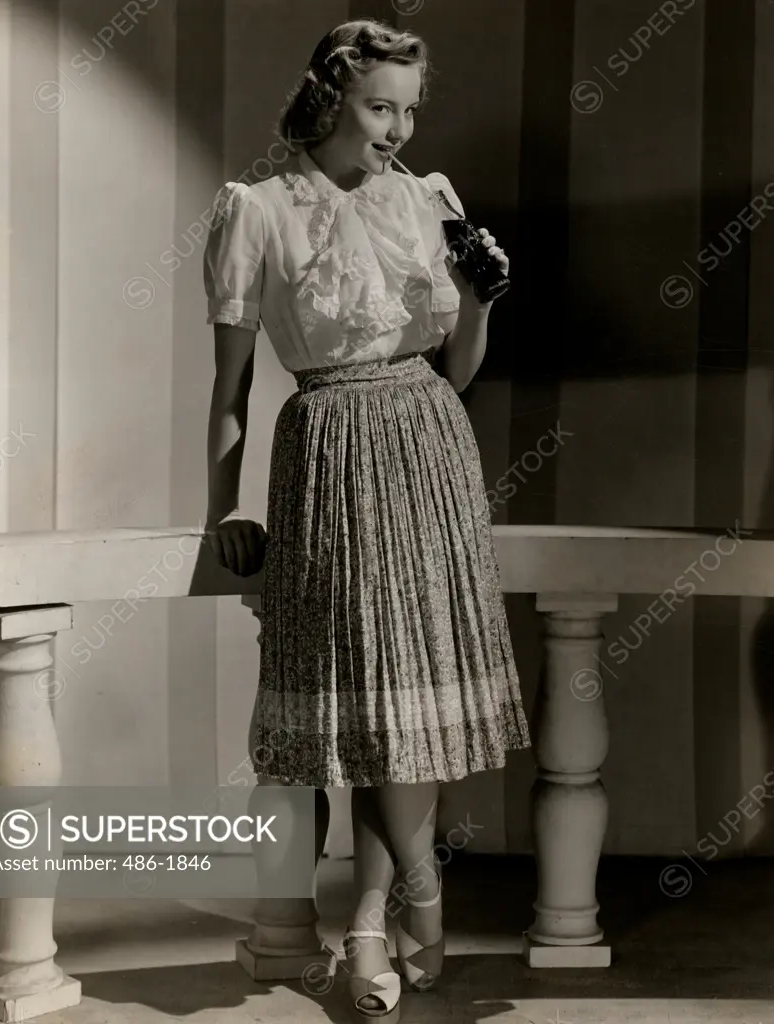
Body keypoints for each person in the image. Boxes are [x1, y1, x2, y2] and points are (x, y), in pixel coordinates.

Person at [202, 18, 530, 1022]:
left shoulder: (428, 200)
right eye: (380, 105)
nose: (398, 127)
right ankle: (415, 885)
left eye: (408, 109)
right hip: (329, 455)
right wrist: (223, 509)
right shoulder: (257, 210)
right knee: (365, 707)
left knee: (413, 706)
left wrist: (479, 305)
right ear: (331, 96)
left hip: (428, 446)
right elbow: (230, 393)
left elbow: (454, 375)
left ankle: (373, 917)